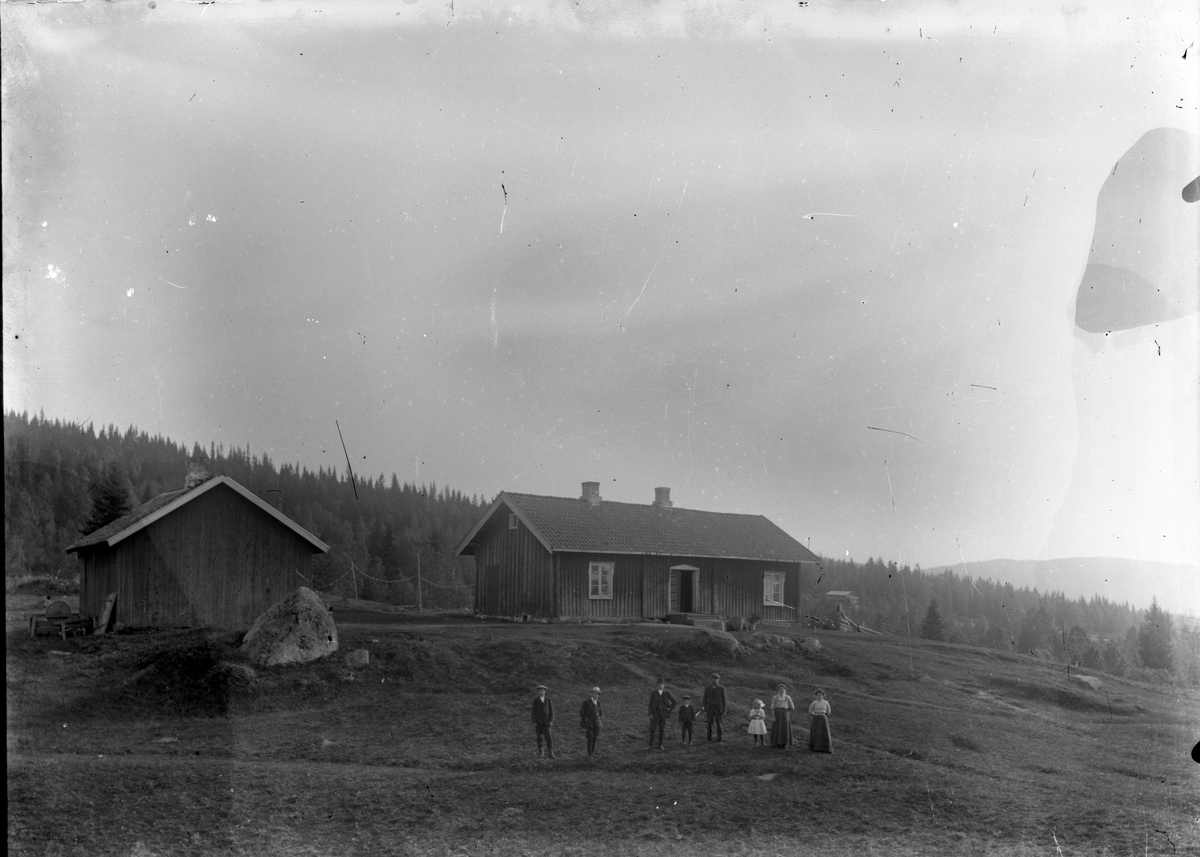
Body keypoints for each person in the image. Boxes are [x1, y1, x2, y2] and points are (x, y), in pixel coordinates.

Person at [648, 678, 677, 750]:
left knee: (662, 729)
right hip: (654, 713)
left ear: (664, 685)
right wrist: (650, 714)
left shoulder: (667, 692)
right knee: (652, 729)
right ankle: (650, 745)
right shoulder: (653, 693)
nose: (661, 685)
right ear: (657, 685)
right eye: (660, 684)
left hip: (663, 713)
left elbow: (674, 701)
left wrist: (669, 709)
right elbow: (650, 704)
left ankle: (660, 745)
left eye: (662, 684)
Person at [531, 684, 556, 758]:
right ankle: (541, 751)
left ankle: (550, 752)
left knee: (548, 736)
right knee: (539, 737)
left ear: (545, 691)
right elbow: (533, 712)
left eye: (543, 691)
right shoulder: (536, 700)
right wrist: (534, 721)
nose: (541, 692)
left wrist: (551, 720)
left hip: (546, 722)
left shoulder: (548, 700)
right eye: (540, 691)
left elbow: (551, 711)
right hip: (538, 722)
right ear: (538, 692)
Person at [702, 671, 728, 742]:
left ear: (718, 680)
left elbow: (724, 700)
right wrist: (704, 709)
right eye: (713, 678)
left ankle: (720, 739)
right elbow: (704, 700)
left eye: (716, 679)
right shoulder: (707, 689)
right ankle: (709, 739)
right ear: (711, 679)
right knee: (709, 724)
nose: (714, 680)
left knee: (719, 724)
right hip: (710, 709)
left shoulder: (721, 689)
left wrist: (724, 710)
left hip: (718, 708)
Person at [769, 683, 795, 749]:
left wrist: (786, 711)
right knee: (777, 728)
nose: (781, 690)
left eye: (783, 689)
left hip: (785, 714)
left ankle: (785, 743)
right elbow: (772, 708)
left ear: (785, 690)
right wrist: (773, 717)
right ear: (778, 690)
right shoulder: (775, 697)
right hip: (777, 713)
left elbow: (792, 707)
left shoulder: (788, 697)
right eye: (780, 689)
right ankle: (777, 743)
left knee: (785, 728)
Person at [579, 687, 603, 758]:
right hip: (589, 723)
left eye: (597, 693)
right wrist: (586, 719)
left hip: (596, 723)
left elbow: (600, 713)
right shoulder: (586, 702)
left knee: (595, 738)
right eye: (594, 693)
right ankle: (589, 755)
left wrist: (599, 720)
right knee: (590, 738)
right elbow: (581, 712)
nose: (596, 695)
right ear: (592, 694)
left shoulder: (598, 703)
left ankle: (592, 753)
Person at [808, 688, 833, 753]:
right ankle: (816, 747)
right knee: (816, 732)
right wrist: (815, 715)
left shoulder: (826, 702)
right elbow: (810, 711)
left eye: (821, 695)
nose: (819, 696)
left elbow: (828, 712)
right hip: (816, 718)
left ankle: (825, 747)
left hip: (823, 718)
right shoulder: (814, 702)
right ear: (816, 695)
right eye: (818, 695)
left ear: (823, 695)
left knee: (824, 732)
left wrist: (824, 715)